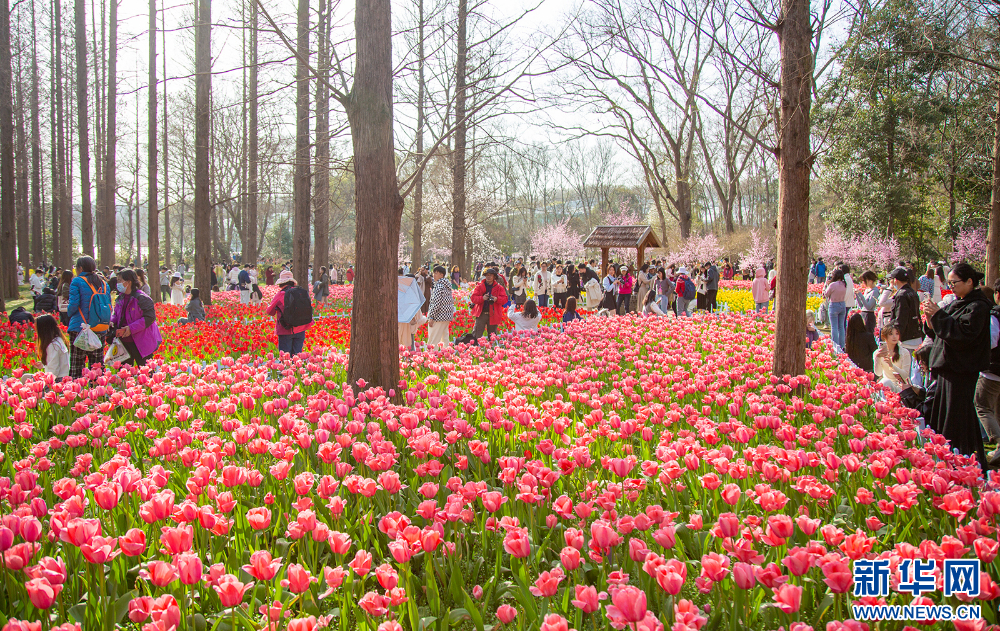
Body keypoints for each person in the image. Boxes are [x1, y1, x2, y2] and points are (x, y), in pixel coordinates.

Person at [920, 263, 991, 469]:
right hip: (946, 370)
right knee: (942, 414)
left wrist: (939, 316)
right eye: (949, 283)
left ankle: (963, 460)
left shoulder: (978, 306)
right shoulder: (957, 303)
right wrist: (931, 320)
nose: (951, 287)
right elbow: (941, 331)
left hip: (961, 371)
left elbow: (963, 335)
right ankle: (947, 458)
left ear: (970, 282)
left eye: (954, 283)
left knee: (958, 417)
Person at [67, 256, 111, 379]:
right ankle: (98, 392)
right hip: (99, 326)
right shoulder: (103, 283)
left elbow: (73, 304)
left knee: (77, 364)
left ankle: (76, 393)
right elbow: (108, 304)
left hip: (80, 327)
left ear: (80, 268)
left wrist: (68, 314)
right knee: (97, 364)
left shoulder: (77, 281)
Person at [110, 269, 163, 367]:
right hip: (124, 343)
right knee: (125, 374)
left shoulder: (142, 298)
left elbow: (149, 318)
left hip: (142, 342)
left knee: (145, 373)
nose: (118, 284)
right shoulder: (120, 298)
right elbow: (116, 315)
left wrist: (130, 328)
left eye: (120, 280)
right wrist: (112, 322)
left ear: (128, 282)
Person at [978, 278, 1000, 466]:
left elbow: (992, 341)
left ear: (997, 295)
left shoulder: (995, 315)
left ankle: (999, 442)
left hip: (994, 369)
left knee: (982, 405)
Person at [265, 270, 314, 356]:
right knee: (297, 358)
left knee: (285, 359)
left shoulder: (281, 294)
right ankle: (296, 369)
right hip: (301, 327)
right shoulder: (300, 292)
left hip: (285, 329)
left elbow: (270, 312)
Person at [888, 267, 924, 361]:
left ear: (895, 280)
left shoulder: (901, 295)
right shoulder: (912, 292)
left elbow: (901, 318)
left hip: (906, 337)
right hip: (915, 333)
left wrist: (895, 337)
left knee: (905, 368)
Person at [873, 324, 912, 393]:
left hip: (901, 385)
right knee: (885, 382)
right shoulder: (878, 353)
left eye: (897, 334)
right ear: (884, 336)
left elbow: (905, 375)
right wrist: (877, 358)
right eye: (891, 334)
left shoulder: (904, 352)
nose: (894, 337)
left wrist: (892, 365)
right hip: (887, 385)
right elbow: (878, 373)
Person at [470, 268, 507, 340]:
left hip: (493, 313)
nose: (488, 277)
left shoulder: (499, 288)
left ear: (494, 277)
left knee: (492, 336)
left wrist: (496, 299)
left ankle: (492, 350)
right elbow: (473, 298)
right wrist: (482, 298)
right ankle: (474, 348)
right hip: (481, 313)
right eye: (487, 275)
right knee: (477, 334)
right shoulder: (479, 286)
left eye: (490, 275)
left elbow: (505, 299)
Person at [427, 266, 455, 347]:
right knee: (444, 339)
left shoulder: (439, 286)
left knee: (433, 339)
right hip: (446, 316)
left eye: (436, 273)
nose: (434, 275)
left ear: (441, 275)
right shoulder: (446, 285)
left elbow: (436, 303)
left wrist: (431, 317)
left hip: (439, 316)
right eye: (433, 273)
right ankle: (446, 355)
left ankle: (431, 356)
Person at [35, 314, 69, 379]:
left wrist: (44, 382)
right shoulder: (59, 340)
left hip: (57, 381)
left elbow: (53, 371)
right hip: (64, 377)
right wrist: (44, 365)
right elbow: (57, 364)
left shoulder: (53, 346)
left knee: (25, 378)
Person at [824, 268, 848, 349]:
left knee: (834, 326)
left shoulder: (832, 285)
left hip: (834, 304)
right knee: (841, 326)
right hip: (842, 304)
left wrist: (827, 285)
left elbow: (826, 294)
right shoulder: (844, 284)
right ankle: (842, 345)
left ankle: (835, 344)